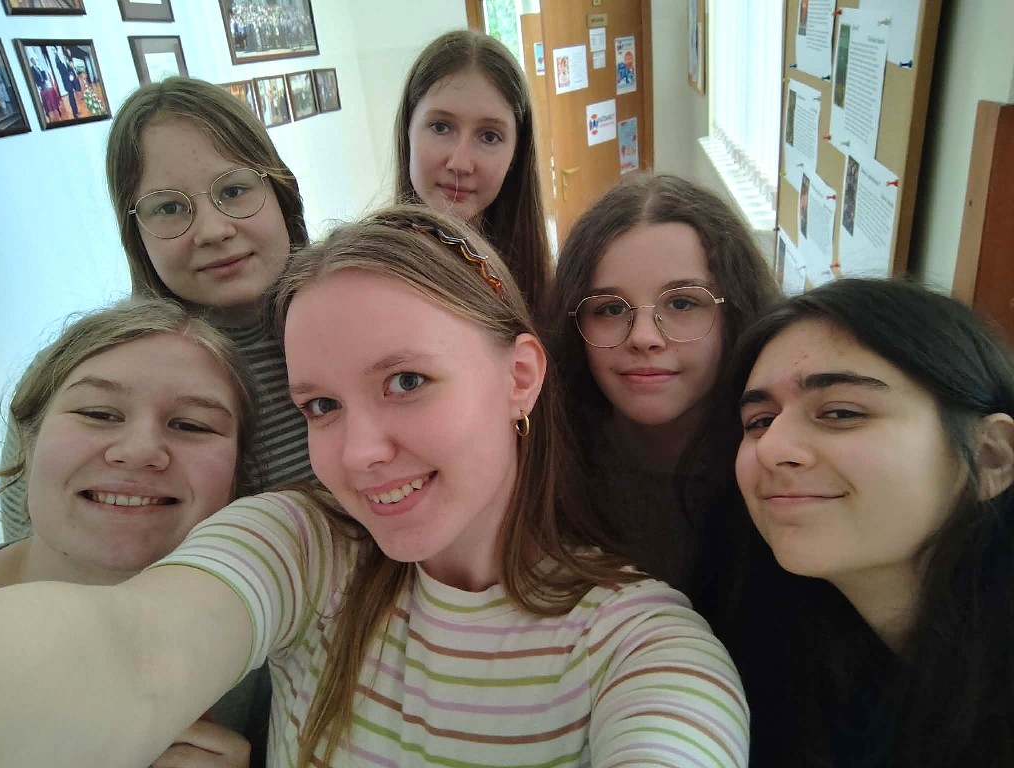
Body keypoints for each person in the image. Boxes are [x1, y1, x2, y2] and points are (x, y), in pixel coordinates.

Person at [0, 206, 749, 768]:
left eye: (406, 381)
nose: (357, 454)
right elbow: (135, 652)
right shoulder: (304, 546)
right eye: (322, 405)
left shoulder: (641, 644)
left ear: (519, 376)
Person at [0, 76, 313, 542]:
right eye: (168, 208)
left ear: (281, 195)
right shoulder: (78, 377)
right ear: (137, 234)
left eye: (233, 191)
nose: (213, 230)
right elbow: (35, 555)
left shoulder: (365, 318)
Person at [731, 278, 1014, 767]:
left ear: (992, 457)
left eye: (841, 412)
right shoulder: (785, 652)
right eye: (759, 421)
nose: (772, 448)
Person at [0, 297, 269, 768]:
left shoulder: (272, 665)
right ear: (29, 443)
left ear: (236, 478)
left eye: (191, 425)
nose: (139, 451)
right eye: (99, 414)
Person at [547, 173, 779, 598]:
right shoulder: (545, 464)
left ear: (735, 314)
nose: (643, 337)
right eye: (610, 309)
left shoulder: (782, 462)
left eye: (682, 302)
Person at [394, 29, 552, 320]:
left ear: (516, 154)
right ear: (408, 130)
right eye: (441, 127)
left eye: (489, 136)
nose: (460, 163)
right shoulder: (371, 279)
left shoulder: (547, 293)